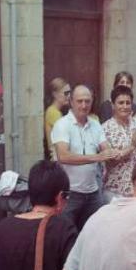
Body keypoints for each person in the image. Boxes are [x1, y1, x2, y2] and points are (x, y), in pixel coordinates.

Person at [51, 85, 118, 230]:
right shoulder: (62, 124)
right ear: (71, 102)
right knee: (66, 236)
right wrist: (98, 157)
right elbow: (63, 156)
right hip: (69, 195)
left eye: (87, 101)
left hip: (93, 193)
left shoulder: (95, 125)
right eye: (80, 101)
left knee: (92, 237)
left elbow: (106, 150)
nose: (84, 105)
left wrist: (117, 152)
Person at [101, 85, 136, 199]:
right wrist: (131, 147)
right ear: (112, 105)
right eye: (121, 103)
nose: (125, 106)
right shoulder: (105, 129)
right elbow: (110, 162)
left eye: (128, 103)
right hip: (115, 191)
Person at [44, 77, 71, 159]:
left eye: (69, 92)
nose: (69, 96)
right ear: (55, 94)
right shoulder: (53, 112)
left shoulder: (55, 111)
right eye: (66, 93)